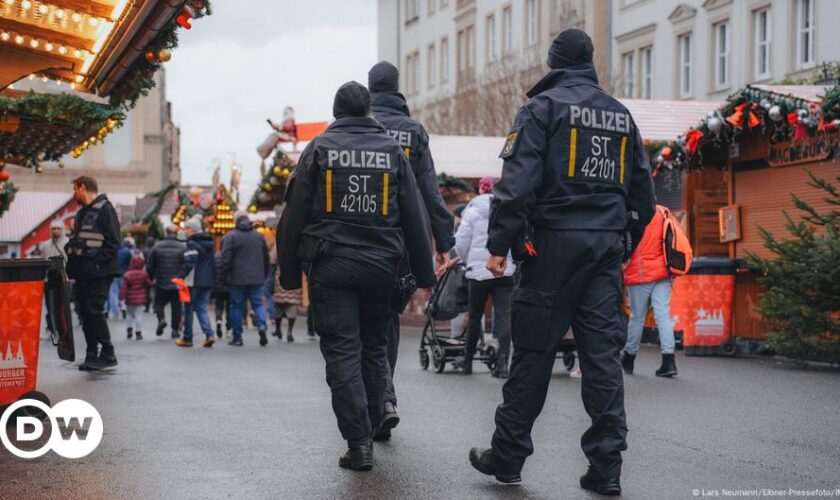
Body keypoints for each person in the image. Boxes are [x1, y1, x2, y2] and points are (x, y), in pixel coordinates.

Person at [467, 29, 656, 495]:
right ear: (590, 63)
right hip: (604, 250)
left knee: (532, 355)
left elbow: (516, 187)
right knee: (602, 359)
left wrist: (498, 245)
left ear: (553, 63)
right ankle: (606, 468)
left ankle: (507, 459)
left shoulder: (540, 109)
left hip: (550, 248)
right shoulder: (620, 115)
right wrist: (620, 241)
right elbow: (645, 200)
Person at [277, 81, 435, 471]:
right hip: (382, 267)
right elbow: (415, 216)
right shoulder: (393, 152)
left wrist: (291, 274)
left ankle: (358, 443)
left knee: (343, 353)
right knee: (374, 346)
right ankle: (377, 413)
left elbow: (292, 216)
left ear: (335, 113)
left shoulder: (318, 150)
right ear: (368, 112)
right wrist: (423, 273)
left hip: (331, 266)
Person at [368, 60, 455, 441]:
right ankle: (383, 400)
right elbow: (430, 193)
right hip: (399, 245)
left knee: (355, 327)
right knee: (385, 321)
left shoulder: (353, 127)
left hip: (354, 242)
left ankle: (375, 401)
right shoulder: (413, 132)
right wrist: (444, 244)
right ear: (398, 88)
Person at [454, 176, 515, 378]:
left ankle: (467, 361)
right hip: (504, 270)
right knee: (504, 315)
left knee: (474, 316)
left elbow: (461, 244)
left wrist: (466, 260)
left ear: (481, 190)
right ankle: (503, 364)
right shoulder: (508, 211)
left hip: (478, 273)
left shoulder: (471, 212)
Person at [65, 176, 122, 371]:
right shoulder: (82, 214)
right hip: (83, 272)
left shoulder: (106, 209)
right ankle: (91, 353)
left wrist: (96, 264)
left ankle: (108, 353)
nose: (74, 194)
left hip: (100, 271)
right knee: (84, 311)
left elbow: (114, 242)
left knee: (93, 309)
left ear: (83, 187)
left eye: (75, 189)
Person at [621, 204, 677, 377]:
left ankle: (629, 359)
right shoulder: (663, 211)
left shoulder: (632, 211)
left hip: (640, 273)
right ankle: (669, 361)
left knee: (637, 317)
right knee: (663, 314)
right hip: (664, 270)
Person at [221, 211, 269, 346]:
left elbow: (226, 258)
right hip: (257, 278)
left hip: (237, 279)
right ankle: (261, 326)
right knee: (258, 304)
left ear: (236, 221)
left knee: (236, 306)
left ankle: (237, 337)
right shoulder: (259, 236)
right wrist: (264, 274)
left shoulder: (231, 236)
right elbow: (266, 257)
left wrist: (226, 275)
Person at [176, 215, 216, 348]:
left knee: (188, 309)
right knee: (201, 308)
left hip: (194, 281)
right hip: (208, 280)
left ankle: (187, 338)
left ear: (192, 230)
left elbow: (190, 262)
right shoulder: (210, 243)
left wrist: (180, 276)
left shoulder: (192, 243)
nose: (185, 231)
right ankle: (209, 334)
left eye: (187, 229)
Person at [147, 226, 186, 339]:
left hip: (161, 281)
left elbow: (150, 265)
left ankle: (161, 319)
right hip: (176, 282)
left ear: (166, 233)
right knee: (176, 306)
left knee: (159, 303)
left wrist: (152, 277)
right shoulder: (182, 247)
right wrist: (181, 277)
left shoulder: (157, 246)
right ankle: (175, 330)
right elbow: (185, 264)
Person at [267, 247, 302, 342]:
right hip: (295, 276)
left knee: (278, 305)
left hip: (281, 276)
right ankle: (290, 331)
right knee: (292, 304)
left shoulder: (280, 241)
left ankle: (278, 329)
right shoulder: (299, 240)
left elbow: (272, 258)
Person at [41, 219, 69, 337]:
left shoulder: (68, 243)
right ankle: (51, 328)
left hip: (64, 278)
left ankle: (64, 329)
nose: (56, 231)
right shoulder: (45, 245)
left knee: (63, 306)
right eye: (53, 228)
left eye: (58, 228)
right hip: (50, 278)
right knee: (50, 304)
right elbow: (43, 262)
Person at [120, 254, 152, 340]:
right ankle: (138, 333)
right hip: (141, 298)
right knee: (139, 316)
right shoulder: (144, 274)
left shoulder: (127, 274)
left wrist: (122, 297)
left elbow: (124, 288)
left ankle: (129, 330)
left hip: (130, 298)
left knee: (129, 314)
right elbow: (149, 284)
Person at [107, 237, 134, 320]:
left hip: (113, 274)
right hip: (124, 275)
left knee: (113, 293)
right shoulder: (127, 251)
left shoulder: (111, 250)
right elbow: (131, 263)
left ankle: (115, 312)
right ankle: (123, 307)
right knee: (123, 293)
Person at [212, 252, 230, 339]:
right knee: (229, 308)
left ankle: (218, 320)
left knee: (218, 306)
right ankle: (229, 329)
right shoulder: (231, 256)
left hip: (217, 287)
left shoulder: (215, 257)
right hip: (230, 286)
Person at [142, 237, 156, 312]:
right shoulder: (155, 250)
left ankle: (147, 307)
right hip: (155, 272)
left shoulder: (144, 251)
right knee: (155, 291)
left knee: (146, 290)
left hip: (146, 271)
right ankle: (154, 307)